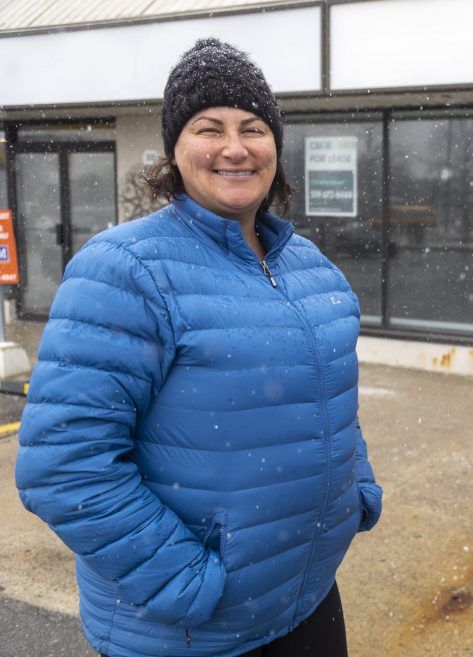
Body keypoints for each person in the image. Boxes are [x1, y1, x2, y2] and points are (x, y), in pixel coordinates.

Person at [15, 38, 382, 657]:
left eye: (254, 127)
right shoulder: (125, 269)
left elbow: (330, 392)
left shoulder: (309, 265)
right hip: (192, 631)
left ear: (276, 148)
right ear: (174, 151)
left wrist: (356, 491)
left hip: (308, 600)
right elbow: (64, 466)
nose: (235, 147)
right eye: (209, 128)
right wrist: (187, 583)